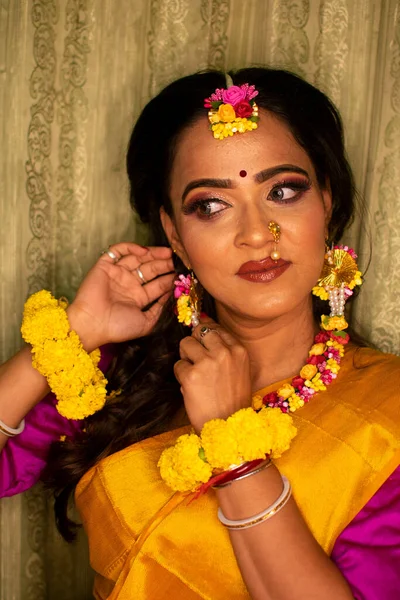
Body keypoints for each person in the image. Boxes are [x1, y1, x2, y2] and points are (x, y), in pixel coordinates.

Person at [0, 67, 399, 600]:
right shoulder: (120, 375)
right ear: (174, 235)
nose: (257, 234)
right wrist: (76, 332)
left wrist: (235, 451)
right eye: (211, 205)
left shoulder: (386, 415)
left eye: (283, 190)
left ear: (326, 203)